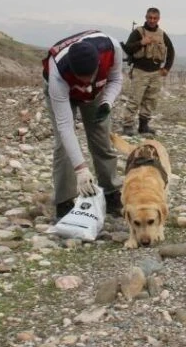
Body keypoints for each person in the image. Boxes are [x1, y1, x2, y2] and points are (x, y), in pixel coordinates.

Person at [42, 30, 124, 219]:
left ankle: (111, 192)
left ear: (97, 64)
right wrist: (81, 169)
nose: (85, 83)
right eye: (80, 77)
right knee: (63, 145)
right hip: (64, 93)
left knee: (101, 137)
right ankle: (64, 201)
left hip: (96, 95)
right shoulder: (57, 72)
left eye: (88, 76)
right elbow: (65, 126)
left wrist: (107, 102)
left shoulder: (112, 50)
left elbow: (116, 79)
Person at [121, 8, 175, 135]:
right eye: (150, 17)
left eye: (154, 18)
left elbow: (171, 51)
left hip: (156, 72)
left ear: (158, 19)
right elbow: (127, 49)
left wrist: (167, 68)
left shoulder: (162, 34)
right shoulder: (138, 32)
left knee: (151, 100)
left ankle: (143, 126)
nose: (152, 20)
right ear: (146, 17)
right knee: (135, 99)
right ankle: (128, 125)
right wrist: (141, 42)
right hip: (140, 71)